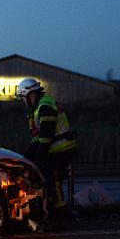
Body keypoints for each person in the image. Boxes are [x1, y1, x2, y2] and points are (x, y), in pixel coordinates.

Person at [16, 77, 77, 214]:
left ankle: (59, 213)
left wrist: (36, 162)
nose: (22, 101)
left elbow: (45, 138)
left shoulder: (45, 107)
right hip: (56, 148)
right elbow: (37, 139)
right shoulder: (37, 108)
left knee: (51, 178)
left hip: (62, 149)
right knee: (45, 176)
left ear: (29, 94)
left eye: (22, 97)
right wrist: (25, 159)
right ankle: (50, 209)